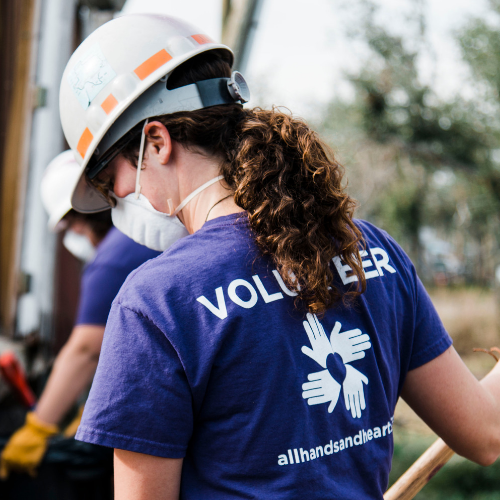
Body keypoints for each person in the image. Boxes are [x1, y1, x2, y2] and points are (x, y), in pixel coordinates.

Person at [57, 14, 500, 500]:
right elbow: (485, 434)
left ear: (157, 142)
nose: (118, 195)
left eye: (107, 178)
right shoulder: (371, 251)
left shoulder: (157, 303)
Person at [0, 151, 164, 478]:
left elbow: (86, 349)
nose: (76, 236)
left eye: (71, 225)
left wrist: (38, 427)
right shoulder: (149, 233)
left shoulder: (112, 258)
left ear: (83, 213)